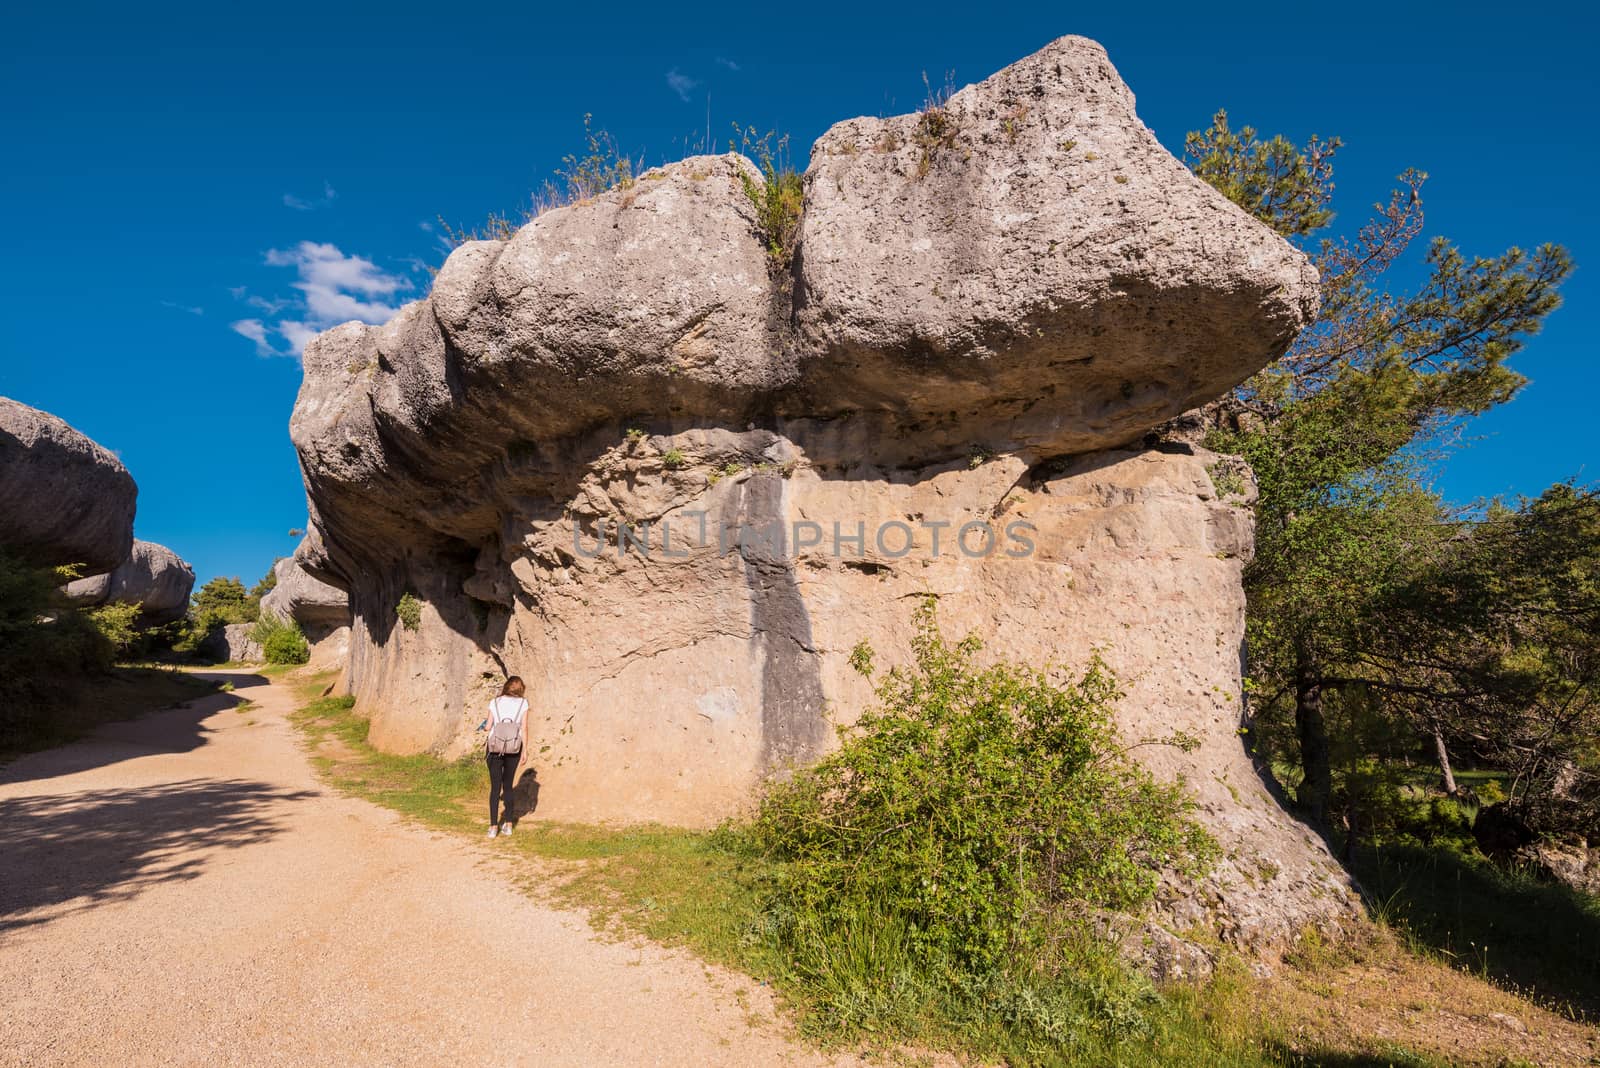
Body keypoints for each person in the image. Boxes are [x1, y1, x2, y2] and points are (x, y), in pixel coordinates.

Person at [484, 676, 529, 839]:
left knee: (495, 788)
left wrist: (484, 725)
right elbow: (524, 728)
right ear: (520, 689)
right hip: (514, 748)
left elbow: (488, 726)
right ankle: (509, 825)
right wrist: (525, 750)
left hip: (494, 747)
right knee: (508, 786)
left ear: (506, 687)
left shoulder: (494, 702)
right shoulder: (523, 703)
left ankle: (493, 827)